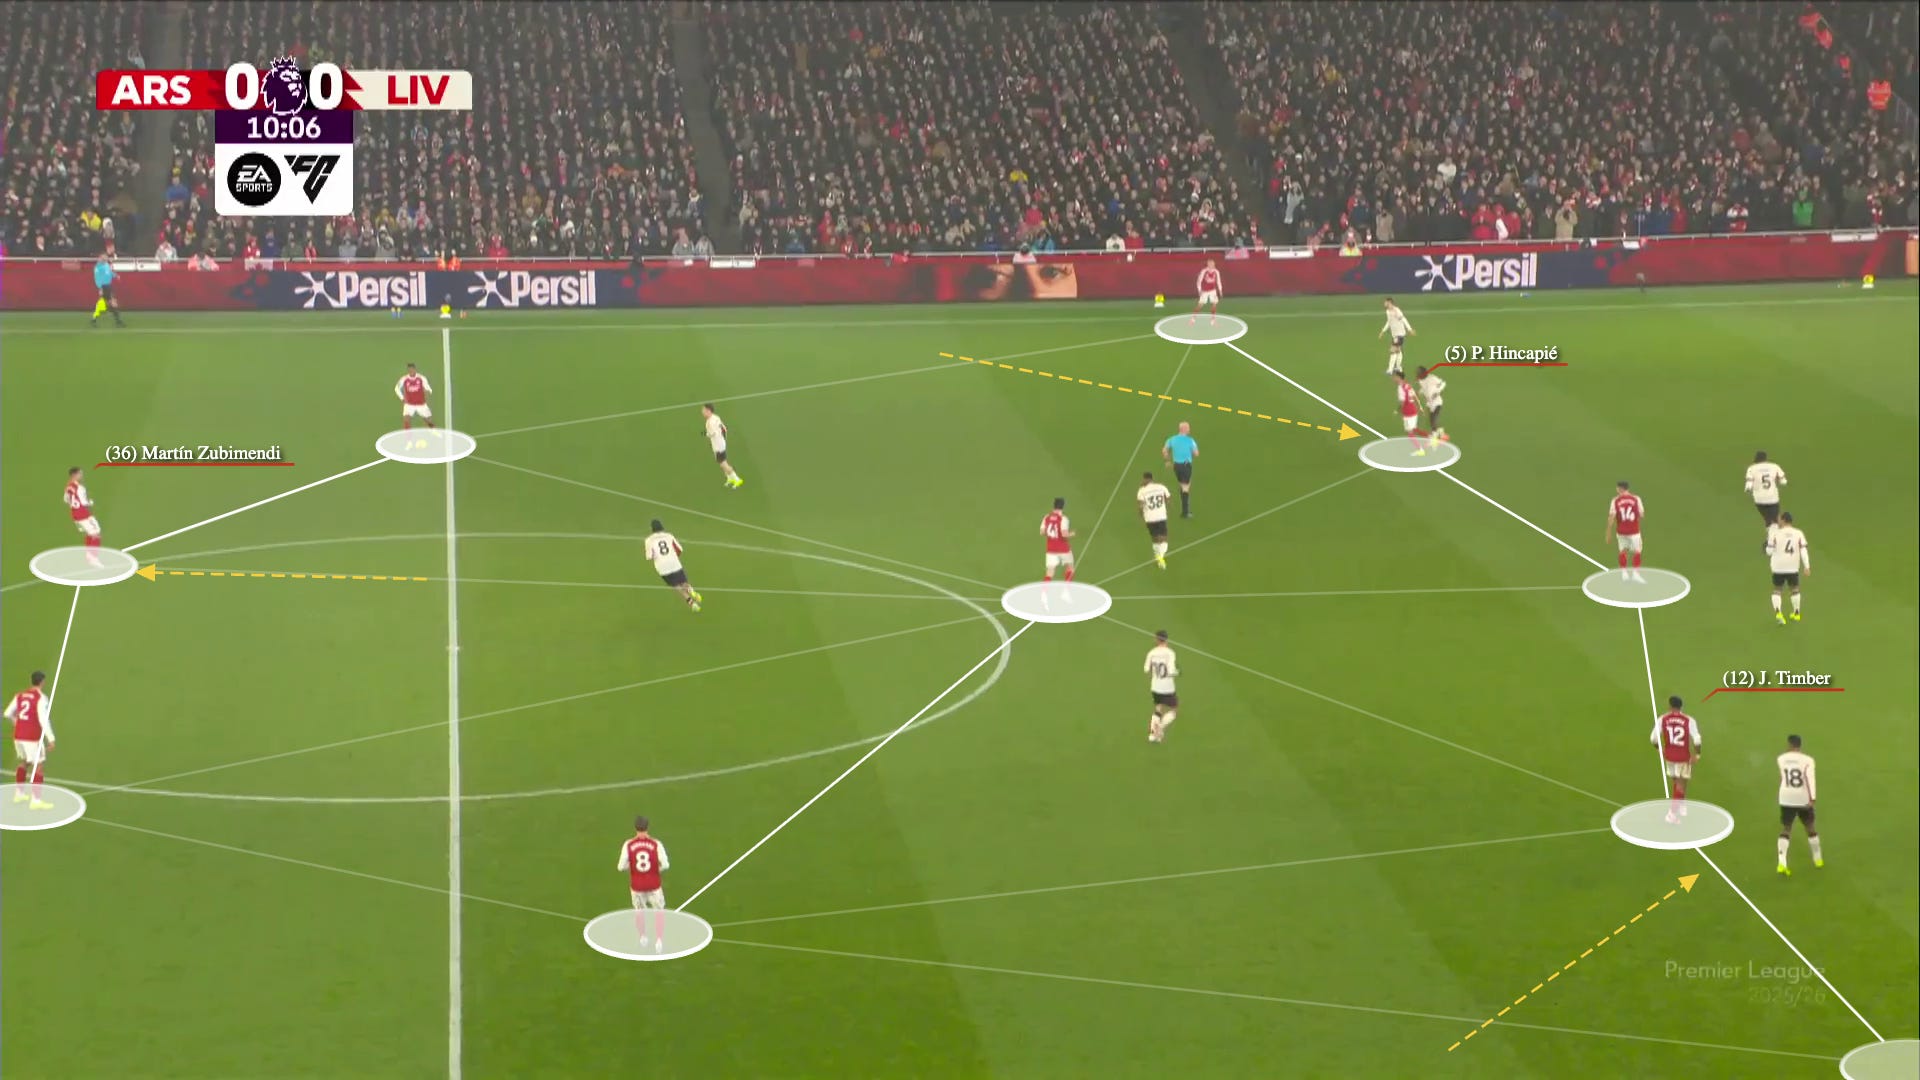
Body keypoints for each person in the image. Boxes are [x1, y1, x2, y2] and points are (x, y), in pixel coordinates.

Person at [617, 815, 672, 951]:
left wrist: (632, 867)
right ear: (648, 827)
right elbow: (665, 865)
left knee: (639, 912)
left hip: (637, 886)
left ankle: (643, 937)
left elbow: (620, 867)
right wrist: (655, 869)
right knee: (659, 912)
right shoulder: (656, 844)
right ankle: (659, 941)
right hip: (654, 885)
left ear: (635, 828)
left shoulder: (628, 844)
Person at [5, 671, 55, 810]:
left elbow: (7, 713)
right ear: (42, 682)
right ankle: (36, 801)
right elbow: (43, 719)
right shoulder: (41, 698)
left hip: (18, 736)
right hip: (31, 738)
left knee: (24, 762)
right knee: (38, 766)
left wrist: (17, 722)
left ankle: (19, 794)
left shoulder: (20, 695)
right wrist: (51, 738)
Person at [1650, 695, 1700, 823]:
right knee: (1681, 786)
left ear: (1670, 706)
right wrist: (1697, 754)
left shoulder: (1663, 719)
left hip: (1669, 757)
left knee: (1677, 783)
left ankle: (1681, 804)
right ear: (1681, 706)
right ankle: (1671, 814)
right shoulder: (1689, 720)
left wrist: (1659, 749)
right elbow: (1697, 739)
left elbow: (1653, 738)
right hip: (1683, 758)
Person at [1775, 735, 1820, 875]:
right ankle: (1817, 858)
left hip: (1786, 797)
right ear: (1800, 745)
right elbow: (1810, 779)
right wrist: (1812, 798)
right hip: (1802, 798)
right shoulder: (1808, 760)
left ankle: (1782, 861)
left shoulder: (1781, 759)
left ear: (1789, 745)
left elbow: (1783, 777)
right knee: (1810, 827)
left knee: (1786, 828)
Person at [643, 519, 703, 612]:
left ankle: (692, 604)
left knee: (676, 585)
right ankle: (691, 591)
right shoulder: (669, 536)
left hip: (662, 567)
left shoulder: (649, 540)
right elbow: (679, 549)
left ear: (652, 528)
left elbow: (649, 557)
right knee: (683, 581)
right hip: (674, 563)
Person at [1765, 512, 1810, 624]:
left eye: (1779, 519)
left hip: (1778, 566)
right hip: (1792, 566)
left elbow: (1769, 552)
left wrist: (1767, 546)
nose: (1778, 521)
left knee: (1777, 590)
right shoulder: (1798, 533)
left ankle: (1778, 612)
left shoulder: (1775, 533)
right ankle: (1796, 613)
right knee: (1795, 589)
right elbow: (1803, 550)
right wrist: (1807, 566)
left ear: (1784, 520)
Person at [1605, 481, 1645, 583]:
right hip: (1634, 531)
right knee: (1637, 551)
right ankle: (1636, 574)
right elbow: (1641, 515)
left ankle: (1624, 574)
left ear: (1620, 489)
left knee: (1623, 551)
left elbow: (1611, 517)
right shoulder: (1636, 499)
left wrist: (1608, 533)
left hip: (1621, 531)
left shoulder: (1615, 500)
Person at [1144, 630, 1180, 743]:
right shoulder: (1170, 653)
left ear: (1156, 639)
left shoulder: (1151, 653)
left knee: (1158, 708)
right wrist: (1177, 672)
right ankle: (1160, 727)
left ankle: (1153, 734)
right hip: (1168, 687)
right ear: (1166, 639)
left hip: (1155, 686)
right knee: (1174, 710)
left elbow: (1146, 669)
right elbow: (1171, 671)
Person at [64, 467, 103, 566]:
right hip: (83, 513)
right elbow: (84, 502)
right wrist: (90, 502)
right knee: (96, 534)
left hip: (75, 514)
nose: (81, 475)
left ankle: (89, 555)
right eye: (80, 474)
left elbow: (66, 500)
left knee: (90, 533)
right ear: (74, 475)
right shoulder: (79, 488)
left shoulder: (68, 486)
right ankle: (93, 559)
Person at [701, 404, 745, 489]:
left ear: (708, 411)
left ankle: (737, 479)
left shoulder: (710, 422)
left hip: (718, 445)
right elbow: (724, 429)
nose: (702, 412)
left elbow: (712, 433)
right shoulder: (716, 417)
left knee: (723, 464)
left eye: (704, 410)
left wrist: (706, 434)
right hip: (720, 443)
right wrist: (723, 439)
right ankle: (730, 478)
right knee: (721, 463)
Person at [1161, 422, 1197, 518]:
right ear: (1184, 429)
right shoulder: (1190, 440)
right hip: (1186, 465)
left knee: (1182, 485)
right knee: (1186, 487)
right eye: (1188, 428)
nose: (1189, 429)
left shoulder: (1171, 439)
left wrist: (1167, 461)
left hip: (1176, 466)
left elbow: (1164, 450)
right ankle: (1185, 512)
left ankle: (1184, 510)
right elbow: (1196, 453)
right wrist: (1189, 455)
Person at [1137, 472, 1172, 569]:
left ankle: (1158, 556)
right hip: (1161, 516)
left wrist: (1141, 515)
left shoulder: (1142, 491)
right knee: (1163, 538)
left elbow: (1140, 505)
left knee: (1155, 538)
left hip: (1149, 518)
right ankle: (1161, 557)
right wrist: (1166, 508)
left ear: (1145, 479)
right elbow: (1168, 499)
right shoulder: (1161, 487)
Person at [1744, 451, 1787, 525]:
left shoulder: (1751, 468)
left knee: (1767, 519)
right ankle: (1773, 530)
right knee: (1775, 521)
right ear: (1766, 459)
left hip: (1759, 499)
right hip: (1773, 498)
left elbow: (1748, 486)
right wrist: (1776, 480)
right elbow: (1784, 482)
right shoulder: (1775, 466)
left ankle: (1769, 528)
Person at [1040, 497, 1074, 582]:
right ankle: (1067, 588)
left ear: (1054, 505)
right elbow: (1064, 535)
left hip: (1051, 549)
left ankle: (1044, 589)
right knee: (1070, 568)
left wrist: (1051, 534)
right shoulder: (1063, 519)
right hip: (1063, 548)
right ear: (1063, 506)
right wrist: (1072, 534)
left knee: (1049, 572)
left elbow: (1042, 532)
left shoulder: (1046, 517)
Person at [395, 363, 436, 432]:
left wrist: (427, 393)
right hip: (409, 404)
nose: (411, 371)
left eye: (412, 369)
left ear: (415, 369)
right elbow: (396, 388)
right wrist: (402, 398)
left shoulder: (421, 378)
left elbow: (428, 388)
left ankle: (434, 431)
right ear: (408, 370)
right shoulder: (404, 379)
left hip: (421, 404)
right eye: (409, 370)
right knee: (406, 420)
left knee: (428, 421)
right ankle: (408, 437)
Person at [1415, 365, 1448, 447]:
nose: (1417, 373)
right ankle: (1439, 432)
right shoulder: (1421, 380)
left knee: (1433, 419)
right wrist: (1419, 393)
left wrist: (1437, 392)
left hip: (1437, 402)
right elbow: (1424, 388)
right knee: (1431, 420)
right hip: (1430, 403)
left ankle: (1434, 438)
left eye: (1419, 372)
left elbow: (1443, 384)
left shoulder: (1432, 378)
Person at [1393, 373, 1425, 456]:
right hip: (1414, 411)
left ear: (1399, 378)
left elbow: (1403, 402)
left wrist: (1398, 410)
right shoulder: (1408, 385)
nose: (1393, 379)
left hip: (1408, 413)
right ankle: (1429, 438)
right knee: (1413, 429)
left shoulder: (1400, 388)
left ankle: (1420, 450)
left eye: (1395, 377)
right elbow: (1415, 396)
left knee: (1410, 433)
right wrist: (1420, 407)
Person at [1379, 298, 1414, 375]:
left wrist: (1410, 329)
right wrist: (1383, 331)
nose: (1384, 303)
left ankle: (1390, 370)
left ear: (1390, 303)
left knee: (1393, 351)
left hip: (1399, 334)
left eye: (1385, 302)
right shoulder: (1388, 311)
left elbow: (1404, 319)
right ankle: (1398, 367)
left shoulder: (1396, 310)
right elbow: (1389, 322)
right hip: (1395, 334)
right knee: (1398, 350)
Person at [91, 254, 124, 328]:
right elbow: (97, 278)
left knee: (105, 304)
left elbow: (110, 272)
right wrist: (100, 288)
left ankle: (94, 319)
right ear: (100, 258)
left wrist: (116, 275)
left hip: (108, 286)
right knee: (113, 303)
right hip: (104, 287)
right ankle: (118, 321)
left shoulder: (106, 265)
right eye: (103, 258)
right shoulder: (98, 267)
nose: (106, 259)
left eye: (106, 258)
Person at [1192, 259, 1223, 324]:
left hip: (1213, 291)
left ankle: (1213, 319)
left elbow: (1218, 281)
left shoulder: (1216, 271)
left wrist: (1220, 290)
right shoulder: (1204, 271)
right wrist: (1199, 290)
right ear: (1208, 264)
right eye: (1210, 264)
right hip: (1204, 291)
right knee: (1200, 305)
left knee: (1214, 304)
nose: (1212, 265)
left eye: (1213, 264)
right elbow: (1199, 281)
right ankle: (1193, 318)